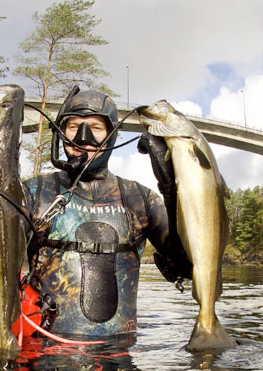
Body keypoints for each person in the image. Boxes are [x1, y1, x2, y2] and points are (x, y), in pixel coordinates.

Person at [24, 87, 191, 338]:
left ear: (112, 135)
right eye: (73, 126)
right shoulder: (33, 192)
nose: (83, 137)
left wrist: (173, 191)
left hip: (118, 357)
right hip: (45, 355)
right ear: (60, 132)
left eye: (96, 127)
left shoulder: (139, 199)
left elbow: (187, 266)